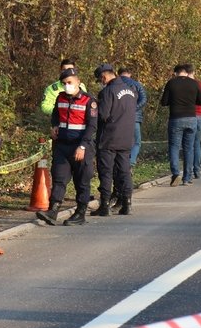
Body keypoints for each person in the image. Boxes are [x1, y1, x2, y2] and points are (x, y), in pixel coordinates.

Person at [37, 68, 97, 226]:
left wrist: (83, 147)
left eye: (70, 82)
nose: (67, 86)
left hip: (81, 147)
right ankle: (53, 210)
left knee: (82, 180)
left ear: (78, 81)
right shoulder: (60, 98)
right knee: (59, 178)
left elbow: (92, 127)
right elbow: (55, 115)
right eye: (64, 83)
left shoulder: (89, 101)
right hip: (62, 145)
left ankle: (80, 213)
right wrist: (54, 126)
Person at [93, 63, 137, 216]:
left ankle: (104, 205)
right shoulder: (131, 91)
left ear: (104, 76)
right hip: (126, 138)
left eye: (100, 79)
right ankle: (127, 204)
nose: (101, 82)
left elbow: (103, 115)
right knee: (124, 172)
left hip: (109, 138)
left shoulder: (108, 92)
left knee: (106, 172)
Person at [160, 64, 201, 186]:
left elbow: (164, 102)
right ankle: (187, 178)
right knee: (189, 148)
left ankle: (175, 173)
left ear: (176, 73)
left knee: (174, 147)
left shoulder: (171, 83)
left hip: (176, 118)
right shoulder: (195, 83)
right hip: (191, 118)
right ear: (186, 72)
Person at [118, 67, 147, 166]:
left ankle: (120, 163)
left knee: (119, 141)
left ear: (119, 74)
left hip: (118, 118)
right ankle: (130, 162)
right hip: (135, 117)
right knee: (136, 142)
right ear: (130, 74)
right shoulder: (137, 85)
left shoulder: (114, 85)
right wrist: (132, 109)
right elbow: (143, 100)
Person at [186, 64, 201, 179]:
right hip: (198, 115)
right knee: (196, 143)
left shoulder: (184, 84)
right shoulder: (200, 84)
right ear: (193, 72)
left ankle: (187, 171)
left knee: (188, 144)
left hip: (187, 114)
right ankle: (197, 170)